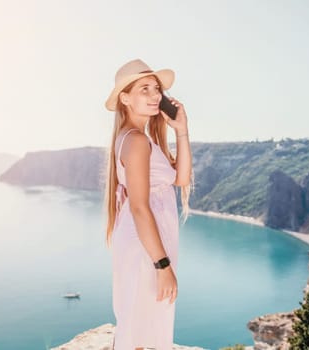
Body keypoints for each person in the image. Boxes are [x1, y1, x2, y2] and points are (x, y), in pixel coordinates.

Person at [103, 59, 194, 350]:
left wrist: (182, 129)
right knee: (138, 327)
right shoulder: (137, 142)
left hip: (148, 243)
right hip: (147, 247)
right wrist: (162, 264)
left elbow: (180, 179)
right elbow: (140, 207)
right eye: (145, 89)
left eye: (157, 89)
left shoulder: (141, 139)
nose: (155, 96)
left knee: (139, 325)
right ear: (125, 98)